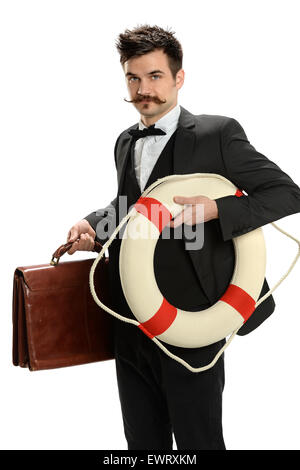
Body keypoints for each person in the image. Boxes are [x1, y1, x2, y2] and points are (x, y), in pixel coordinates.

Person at [66, 25, 300, 450]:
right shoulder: (125, 142)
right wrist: (91, 226)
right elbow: (129, 211)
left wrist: (216, 209)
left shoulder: (217, 134)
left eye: (155, 76)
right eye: (133, 78)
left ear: (179, 78)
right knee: (143, 445)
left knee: (200, 443)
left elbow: (287, 193)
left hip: (193, 321)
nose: (143, 90)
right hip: (130, 321)